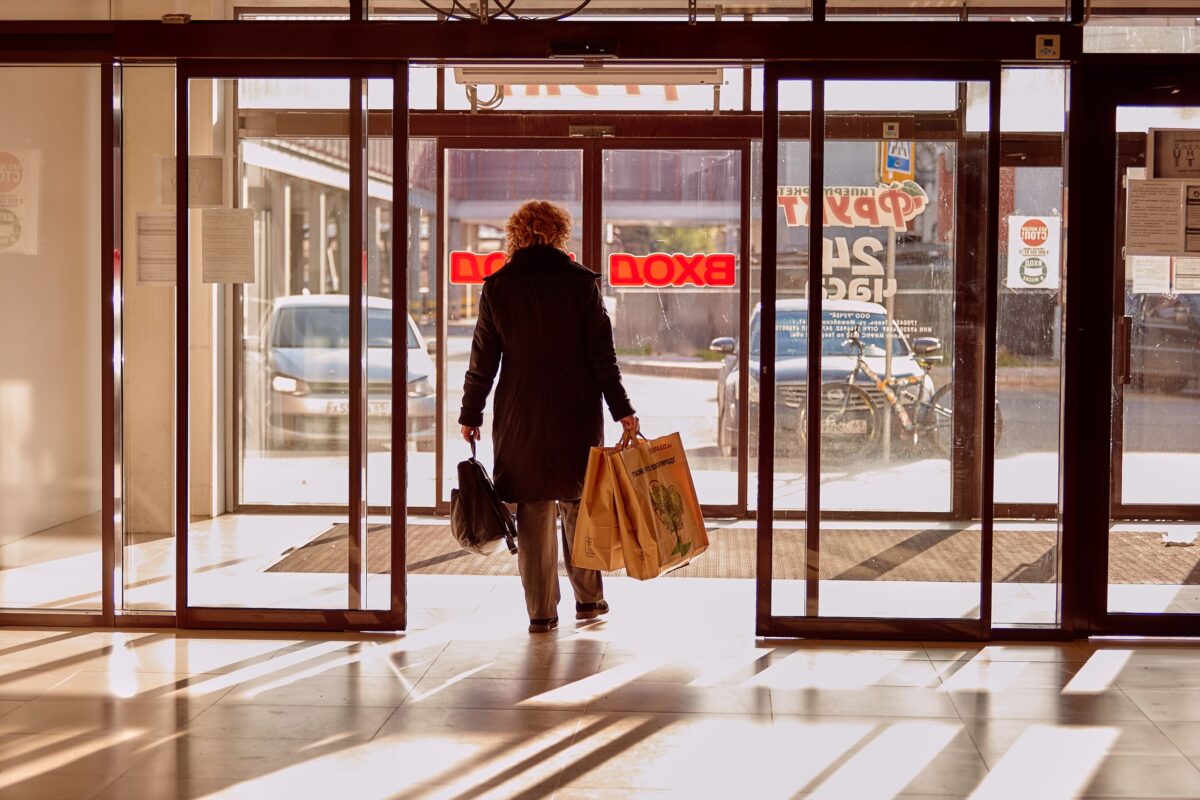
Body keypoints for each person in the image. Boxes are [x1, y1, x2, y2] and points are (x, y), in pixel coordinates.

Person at [459, 200, 639, 634]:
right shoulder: (581, 284)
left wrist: (471, 412)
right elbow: (603, 359)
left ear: (516, 235)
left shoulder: (499, 287)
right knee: (580, 503)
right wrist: (623, 411)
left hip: (519, 415)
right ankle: (590, 599)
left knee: (534, 510)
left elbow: (483, 359)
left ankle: (542, 611)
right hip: (576, 412)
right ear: (560, 233)